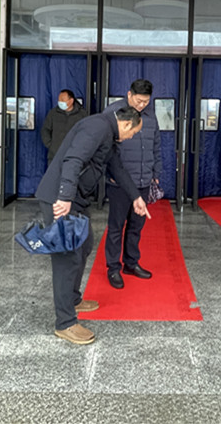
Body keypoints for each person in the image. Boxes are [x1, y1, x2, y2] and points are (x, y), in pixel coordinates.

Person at [35, 106, 151, 345]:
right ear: (126, 124)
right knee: (67, 257)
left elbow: (117, 168)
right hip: (61, 199)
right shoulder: (97, 126)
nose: (131, 137)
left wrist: (136, 198)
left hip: (75, 200)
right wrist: (64, 196)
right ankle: (65, 323)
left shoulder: (108, 134)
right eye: (133, 133)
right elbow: (73, 159)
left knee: (85, 244)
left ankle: (73, 299)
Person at [103, 79, 161, 289]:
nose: (142, 105)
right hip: (120, 182)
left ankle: (131, 263)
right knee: (116, 226)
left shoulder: (150, 115)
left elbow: (156, 145)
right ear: (129, 95)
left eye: (146, 101)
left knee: (136, 226)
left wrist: (156, 172)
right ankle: (113, 268)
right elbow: (104, 148)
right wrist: (109, 174)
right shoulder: (113, 113)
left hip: (143, 179)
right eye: (138, 101)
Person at [41, 89, 87, 163]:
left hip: (74, 157)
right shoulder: (53, 113)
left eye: (62, 100)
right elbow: (45, 130)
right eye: (59, 100)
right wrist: (51, 146)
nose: (60, 102)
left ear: (71, 101)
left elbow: (86, 133)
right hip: (54, 156)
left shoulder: (82, 115)